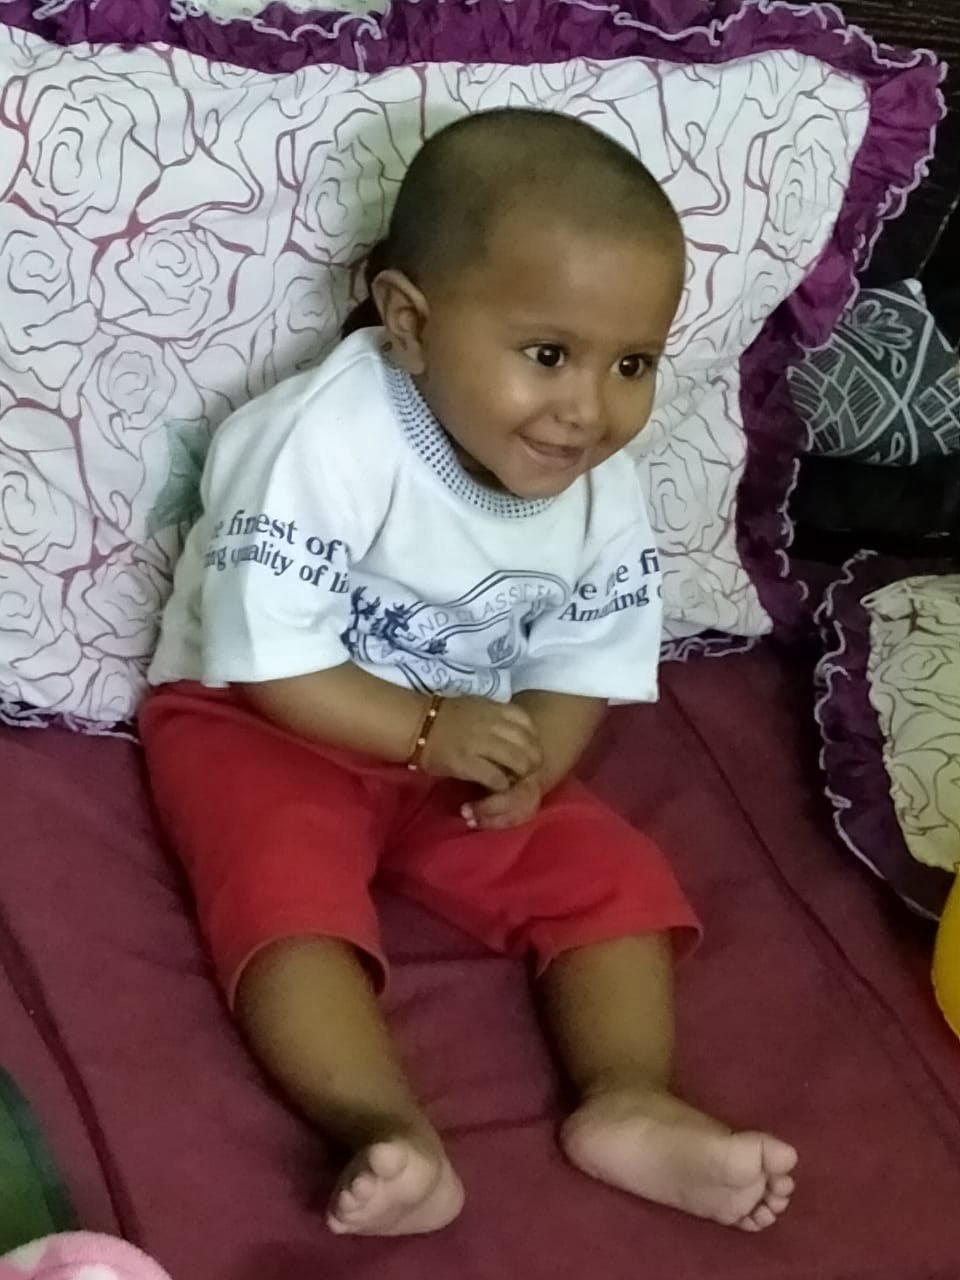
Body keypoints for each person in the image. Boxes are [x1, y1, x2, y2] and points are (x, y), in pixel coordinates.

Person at [140, 108, 798, 1239]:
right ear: (410, 322)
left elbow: (582, 651)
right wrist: (426, 729)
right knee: (285, 893)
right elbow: (271, 657)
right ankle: (386, 1124)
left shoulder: (593, 479)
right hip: (261, 720)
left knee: (612, 875)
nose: (588, 409)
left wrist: (535, 760)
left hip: (457, 737)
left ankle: (628, 1095)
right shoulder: (327, 440)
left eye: (631, 364)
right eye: (547, 355)